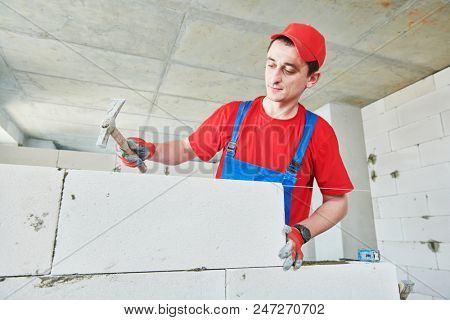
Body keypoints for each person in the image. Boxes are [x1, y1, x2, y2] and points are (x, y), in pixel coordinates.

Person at [118, 23, 354, 271]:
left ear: (312, 78)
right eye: (271, 64)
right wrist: (152, 150)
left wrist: (301, 233)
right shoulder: (233, 114)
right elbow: (187, 148)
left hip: (275, 260)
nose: (274, 78)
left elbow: (337, 202)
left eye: (288, 70)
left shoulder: (318, 133)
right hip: (216, 247)